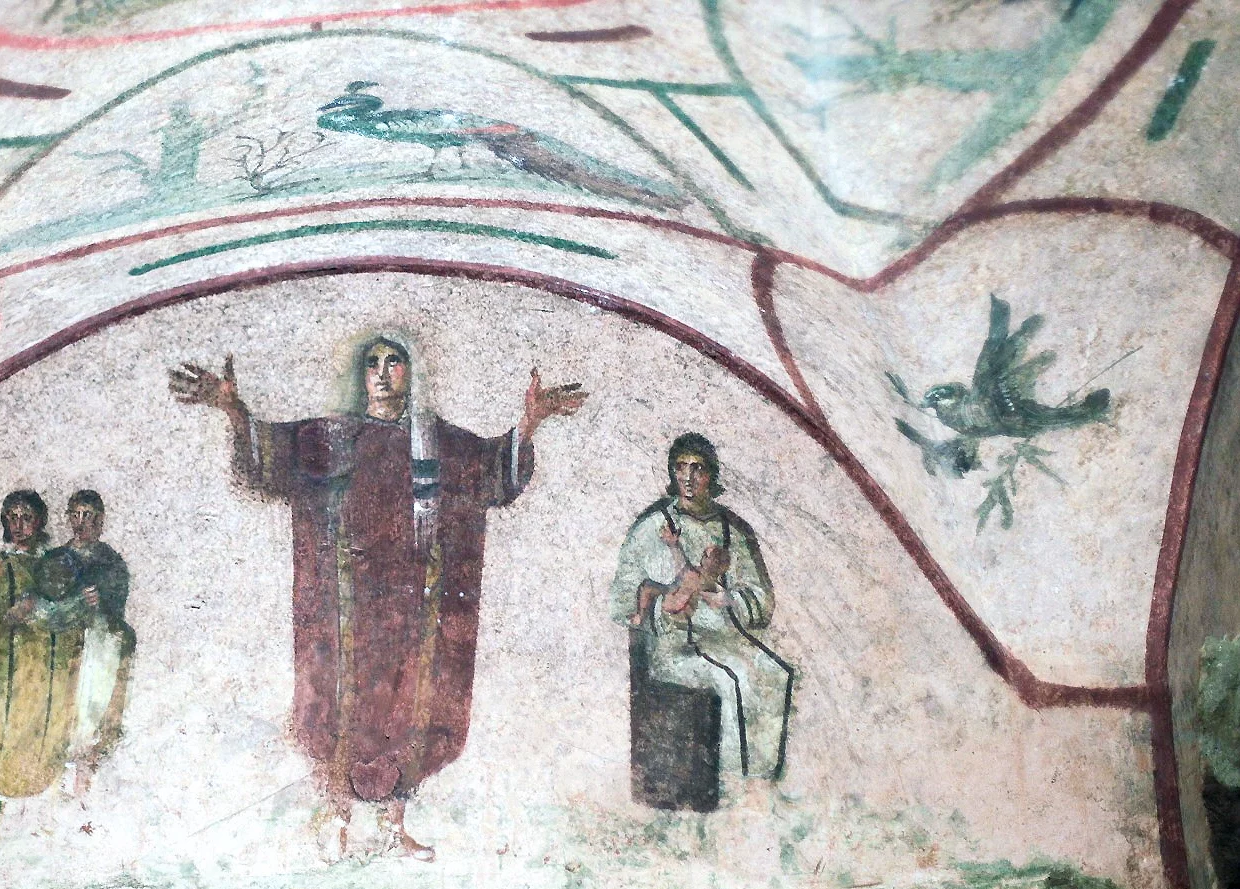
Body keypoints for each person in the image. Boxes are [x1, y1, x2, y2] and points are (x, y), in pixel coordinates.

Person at [170, 333, 586, 859]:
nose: (384, 373)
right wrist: (232, 409)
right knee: (340, 704)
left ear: (409, 372)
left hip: (414, 610)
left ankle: (394, 827)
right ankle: (337, 820)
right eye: (373, 364)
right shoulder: (330, 436)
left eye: (394, 362)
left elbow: (493, 473)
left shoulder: (436, 443)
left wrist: (530, 423)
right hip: (345, 607)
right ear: (361, 375)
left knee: (411, 705)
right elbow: (268, 461)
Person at [610, 433, 792, 786]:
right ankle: (732, 781)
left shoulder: (732, 531)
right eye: (681, 468)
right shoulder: (652, 527)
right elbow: (621, 597)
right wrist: (662, 605)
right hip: (672, 646)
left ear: (712, 475)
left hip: (726, 640)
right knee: (731, 679)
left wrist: (729, 599)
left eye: (698, 469)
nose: (688, 478)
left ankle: (764, 780)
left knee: (775, 671)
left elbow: (762, 600)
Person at [0, 491, 78, 799]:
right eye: (13, 517)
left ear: (40, 522)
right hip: (5, 673)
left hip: (46, 673)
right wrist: (9, 617)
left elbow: (73, 621)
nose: (19, 525)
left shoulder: (58, 566)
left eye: (27, 517)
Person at [40, 490, 135, 796]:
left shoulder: (110, 561)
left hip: (95, 639)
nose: (81, 522)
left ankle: (84, 770)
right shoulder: (56, 557)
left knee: (92, 694)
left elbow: (116, 603)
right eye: (75, 515)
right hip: (62, 639)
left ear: (100, 520)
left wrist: (99, 601)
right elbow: (46, 595)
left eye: (87, 515)